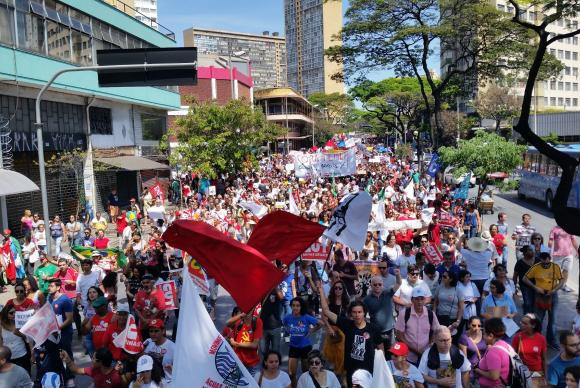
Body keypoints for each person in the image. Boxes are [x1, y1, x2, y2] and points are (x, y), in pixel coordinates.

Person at [319, 285, 382, 386]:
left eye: (359, 312)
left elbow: (380, 349)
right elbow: (326, 311)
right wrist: (321, 292)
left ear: (364, 313)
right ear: (351, 314)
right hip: (351, 370)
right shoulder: (347, 324)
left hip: (368, 371)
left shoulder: (374, 328)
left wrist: (379, 367)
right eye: (354, 312)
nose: (357, 315)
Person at [523, 252, 565, 350]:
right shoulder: (536, 267)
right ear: (540, 260)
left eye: (547, 262)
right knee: (538, 319)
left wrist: (555, 290)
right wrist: (535, 288)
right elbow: (525, 279)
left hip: (552, 296)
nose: (546, 264)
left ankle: (551, 340)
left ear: (550, 259)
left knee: (553, 320)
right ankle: (537, 340)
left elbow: (561, 280)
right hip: (539, 296)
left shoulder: (555, 267)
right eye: (543, 263)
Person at [394, 287, 440, 366]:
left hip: (426, 356)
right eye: (417, 299)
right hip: (407, 356)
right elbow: (399, 336)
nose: (419, 302)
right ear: (412, 300)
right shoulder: (404, 314)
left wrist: (430, 345)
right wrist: (416, 351)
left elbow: (436, 332)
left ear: (425, 300)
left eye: (422, 299)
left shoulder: (431, 314)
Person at [282, 297, 322, 386]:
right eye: (293, 305)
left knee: (306, 373)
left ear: (301, 307)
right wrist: (288, 330)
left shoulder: (306, 317)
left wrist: (312, 330)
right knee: (291, 374)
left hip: (305, 347)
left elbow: (320, 324)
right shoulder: (288, 317)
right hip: (293, 347)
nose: (295, 308)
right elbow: (284, 324)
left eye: (298, 306)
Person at [363, 272, 401, 350]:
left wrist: (397, 275)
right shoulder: (367, 299)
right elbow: (363, 315)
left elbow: (398, 283)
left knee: (391, 353)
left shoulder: (388, 293)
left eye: (379, 284)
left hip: (389, 331)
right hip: (376, 331)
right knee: (379, 354)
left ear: (382, 285)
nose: (377, 286)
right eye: (375, 284)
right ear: (371, 285)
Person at [473, 318, 512, 388]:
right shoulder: (502, 343)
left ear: (491, 336)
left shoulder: (493, 353)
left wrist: (477, 370)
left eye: (484, 334)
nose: (482, 336)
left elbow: (494, 376)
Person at [512, 313, 548, 378]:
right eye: (521, 322)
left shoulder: (541, 338)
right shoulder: (517, 337)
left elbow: (544, 358)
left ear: (533, 325)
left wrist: (545, 376)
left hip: (537, 372)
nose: (522, 325)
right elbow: (512, 357)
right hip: (522, 372)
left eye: (525, 324)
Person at [0, 305, 32, 374]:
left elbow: (28, 339)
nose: (14, 314)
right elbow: (1, 342)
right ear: (6, 314)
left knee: (25, 375)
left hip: (22, 355)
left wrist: (19, 333)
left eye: (15, 312)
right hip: (9, 357)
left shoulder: (20, 323)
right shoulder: (1, 326)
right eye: (11, 313)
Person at [143, 319, 175, 387]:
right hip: (151, 382)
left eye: (156, 331)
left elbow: (181, 368)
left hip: (168, 383)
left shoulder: (173, 347)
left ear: (163, 331)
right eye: (151, 331)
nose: (153, 334)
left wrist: (173, 368)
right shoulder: (148, 343)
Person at [133, 273, 166, 340]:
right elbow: (136, 308)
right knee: (145, 347)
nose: (145, 285)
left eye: (147, 282)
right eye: (144, 283)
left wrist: (149, 320)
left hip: (156, 327)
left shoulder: (159, 293)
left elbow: (161, 309)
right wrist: (143, 320)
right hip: (144, 327)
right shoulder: (140, 293)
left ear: (152, 282)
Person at [432, 270, 464, 335]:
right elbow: (435, 302)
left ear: (451, 279)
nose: (442, 278)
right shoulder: (439, 287)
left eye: (444, 277)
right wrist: (434, 313)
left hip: (453, 320)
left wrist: (458, 321)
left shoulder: (458, 290)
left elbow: (461, 308)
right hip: (440, 318)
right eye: (442, 276)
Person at [549, 225, 578, 292]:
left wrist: (577, 251)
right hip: (557, 254)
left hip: (569, 254)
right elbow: (551, 240)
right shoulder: (554, 229)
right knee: (556, 272)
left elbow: (573, 240)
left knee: (566, 270)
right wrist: (548, 251)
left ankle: (563, 285)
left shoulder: (570, 228)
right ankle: (554, 285)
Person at [459, 316, 487, 383]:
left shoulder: (484, 334)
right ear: (468, 325)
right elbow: (464, 359)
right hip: (471, 370)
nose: (476, 328)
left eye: (479, 326)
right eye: (474, 325)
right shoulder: (464, 338)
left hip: (483, 368)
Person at [513, 245, 538, 314]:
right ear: (524, 252)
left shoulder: (538, 260)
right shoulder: (520, 263)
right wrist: (514, 288)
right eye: (530, 250)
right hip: (525, 286)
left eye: (533, 250)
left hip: (537, 286)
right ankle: (526, 319)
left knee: (535, 303)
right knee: (527, 303)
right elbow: (515, 276)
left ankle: (533, 320)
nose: (532, 252)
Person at [260, 286, 284, 358]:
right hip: (263, 326)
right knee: (264, 351)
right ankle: (266, 367)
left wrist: (275, 286)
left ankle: (274, 368)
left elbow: (281, 297)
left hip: (275, 326)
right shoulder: (261, 289)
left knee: (275, 352)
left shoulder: (276, 289)